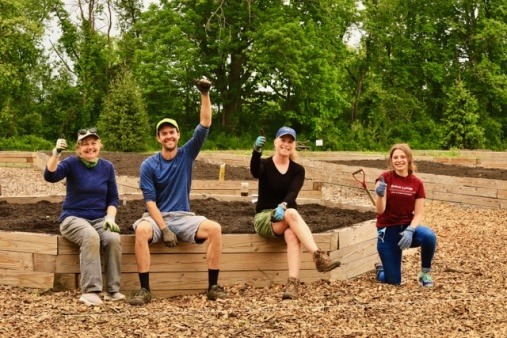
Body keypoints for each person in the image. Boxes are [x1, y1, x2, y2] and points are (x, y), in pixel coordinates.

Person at [129, 78, 227, 306]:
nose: (168, 136)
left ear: (178, 135)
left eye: (172, 132)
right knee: (141, 231)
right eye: (163, 133)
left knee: (215, 228)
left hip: (183, 217)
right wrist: (163, 228)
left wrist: (205, 93)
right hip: (156, 218)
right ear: (158, 138)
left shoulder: (187, 154)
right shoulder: (148, 165)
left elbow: (204, 124)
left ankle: (213, 286)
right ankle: (144, 289)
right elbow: (150, 202)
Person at [250, 127, 342, 300]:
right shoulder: (265, 164)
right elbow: (255, 172)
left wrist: (283, 206)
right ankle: (318, 257)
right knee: (292, 213)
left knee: (293, 234)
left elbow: (293, 193)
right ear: (275, 142)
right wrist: (256, 152)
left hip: (285, 215)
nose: (286, 144)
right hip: (264, 217)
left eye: (290, 141)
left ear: (294, 145)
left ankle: (292, 283)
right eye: (282, 140)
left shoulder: (298, 170)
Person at [43, 129, 124, 306]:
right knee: (91, 236)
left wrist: (110, 218)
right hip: (73, 218)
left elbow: (113, 198)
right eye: (85, 144)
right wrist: (56, 154)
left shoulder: (107, 167)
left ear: (99, 145)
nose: (90, 147)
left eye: (93, 143)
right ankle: (90, 291)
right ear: (79, 148)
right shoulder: (72, 163)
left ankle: (113, 290)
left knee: (113, 237)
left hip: (99, 219)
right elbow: (50, 176)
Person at [374, 143, 437, 287]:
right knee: (393, 281)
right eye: (395, 157)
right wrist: (379, 194)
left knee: (429, 236)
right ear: (391, 161)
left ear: (409, 159)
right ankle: (381, 270)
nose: (399, 160)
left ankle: (424, 273)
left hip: (406, 230)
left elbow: (419, 213)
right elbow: (380, 210)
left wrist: (410, 230)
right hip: (387, 231)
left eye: (402, 157)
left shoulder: (417, 183)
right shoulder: (385, 178)